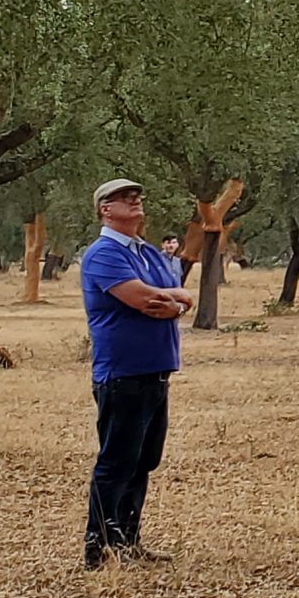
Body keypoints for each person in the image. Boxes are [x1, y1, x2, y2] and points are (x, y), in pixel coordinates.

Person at [79, 178, 191, 569]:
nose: (135, 200)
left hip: (156, 370)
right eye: (124, 198)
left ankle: (127, 540)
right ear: (105, 209)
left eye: (137, 196)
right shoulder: (103, 253)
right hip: (122, 372)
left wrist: (176, 303)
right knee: (117, 461)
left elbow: (179, 295)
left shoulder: (149, 252)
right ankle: (98, 548)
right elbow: (143, 298)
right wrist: (172, 300)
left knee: (144, 460)